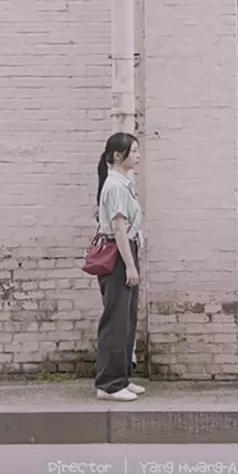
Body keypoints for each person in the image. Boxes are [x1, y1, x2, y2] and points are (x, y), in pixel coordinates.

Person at [93, 132, 145, 401]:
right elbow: (118, 228)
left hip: (125, 251)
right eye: (133, 151)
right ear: (117, 155)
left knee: (127, 318)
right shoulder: (114, 186)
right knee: (116, 320)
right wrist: (130, 266)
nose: (138, 155)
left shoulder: (123, 183)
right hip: (118, 254)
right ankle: (109, 384)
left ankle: (122, 377)